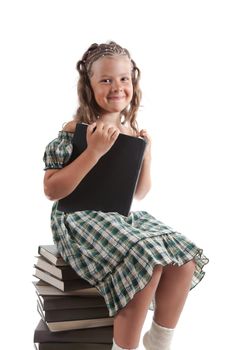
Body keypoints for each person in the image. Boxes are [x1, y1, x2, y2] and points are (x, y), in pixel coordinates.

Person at [43, 41, 209, 350]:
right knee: (146, 257)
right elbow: (52, 190)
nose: (117, 86)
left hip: (116, 217)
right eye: (106, 80)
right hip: (77, 219)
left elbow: (140, 193)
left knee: (183, 257)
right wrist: (93, 152)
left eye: (124, 78)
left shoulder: (131, 131)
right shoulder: (77, 130)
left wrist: (146, 156)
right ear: (89, 86)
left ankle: (159, 340)